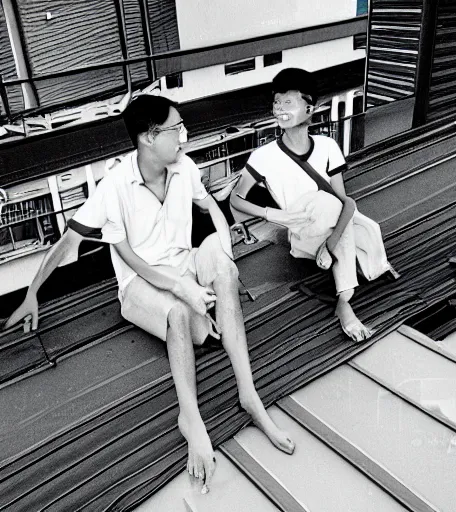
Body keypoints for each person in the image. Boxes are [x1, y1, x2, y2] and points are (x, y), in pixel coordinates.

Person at [5, 94, 294, 493]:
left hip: (184, 264)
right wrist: (33, 292)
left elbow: (210, 206)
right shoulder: (115, 186)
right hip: (142, 286)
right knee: (179, 313)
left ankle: (249, 394)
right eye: (177, 129)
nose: (184, 136)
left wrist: (222, 260)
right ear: (148, 136)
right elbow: (71, 241)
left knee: (224, 268)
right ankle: (190, 418)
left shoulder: (184, 167)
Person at [231, 68, 398, 342]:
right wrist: (273, 214)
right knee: (337, 214)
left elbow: (345, 201)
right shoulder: (264, 156)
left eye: (288, 102)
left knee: (336, 209)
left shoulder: (328, 146)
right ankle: (345, 300)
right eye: (276, 102)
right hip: (300, 234)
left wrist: (331, 242)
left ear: (310, 109)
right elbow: (237, 199)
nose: (280, 109)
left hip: (329, 226)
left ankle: (343, 282)